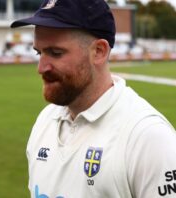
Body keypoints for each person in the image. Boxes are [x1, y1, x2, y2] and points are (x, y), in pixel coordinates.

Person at [11, 0, 176, 197]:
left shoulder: (147, 138)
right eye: (39, 53)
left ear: (99, 52)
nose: (41, 67)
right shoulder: (45, 121)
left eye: (55, 53)